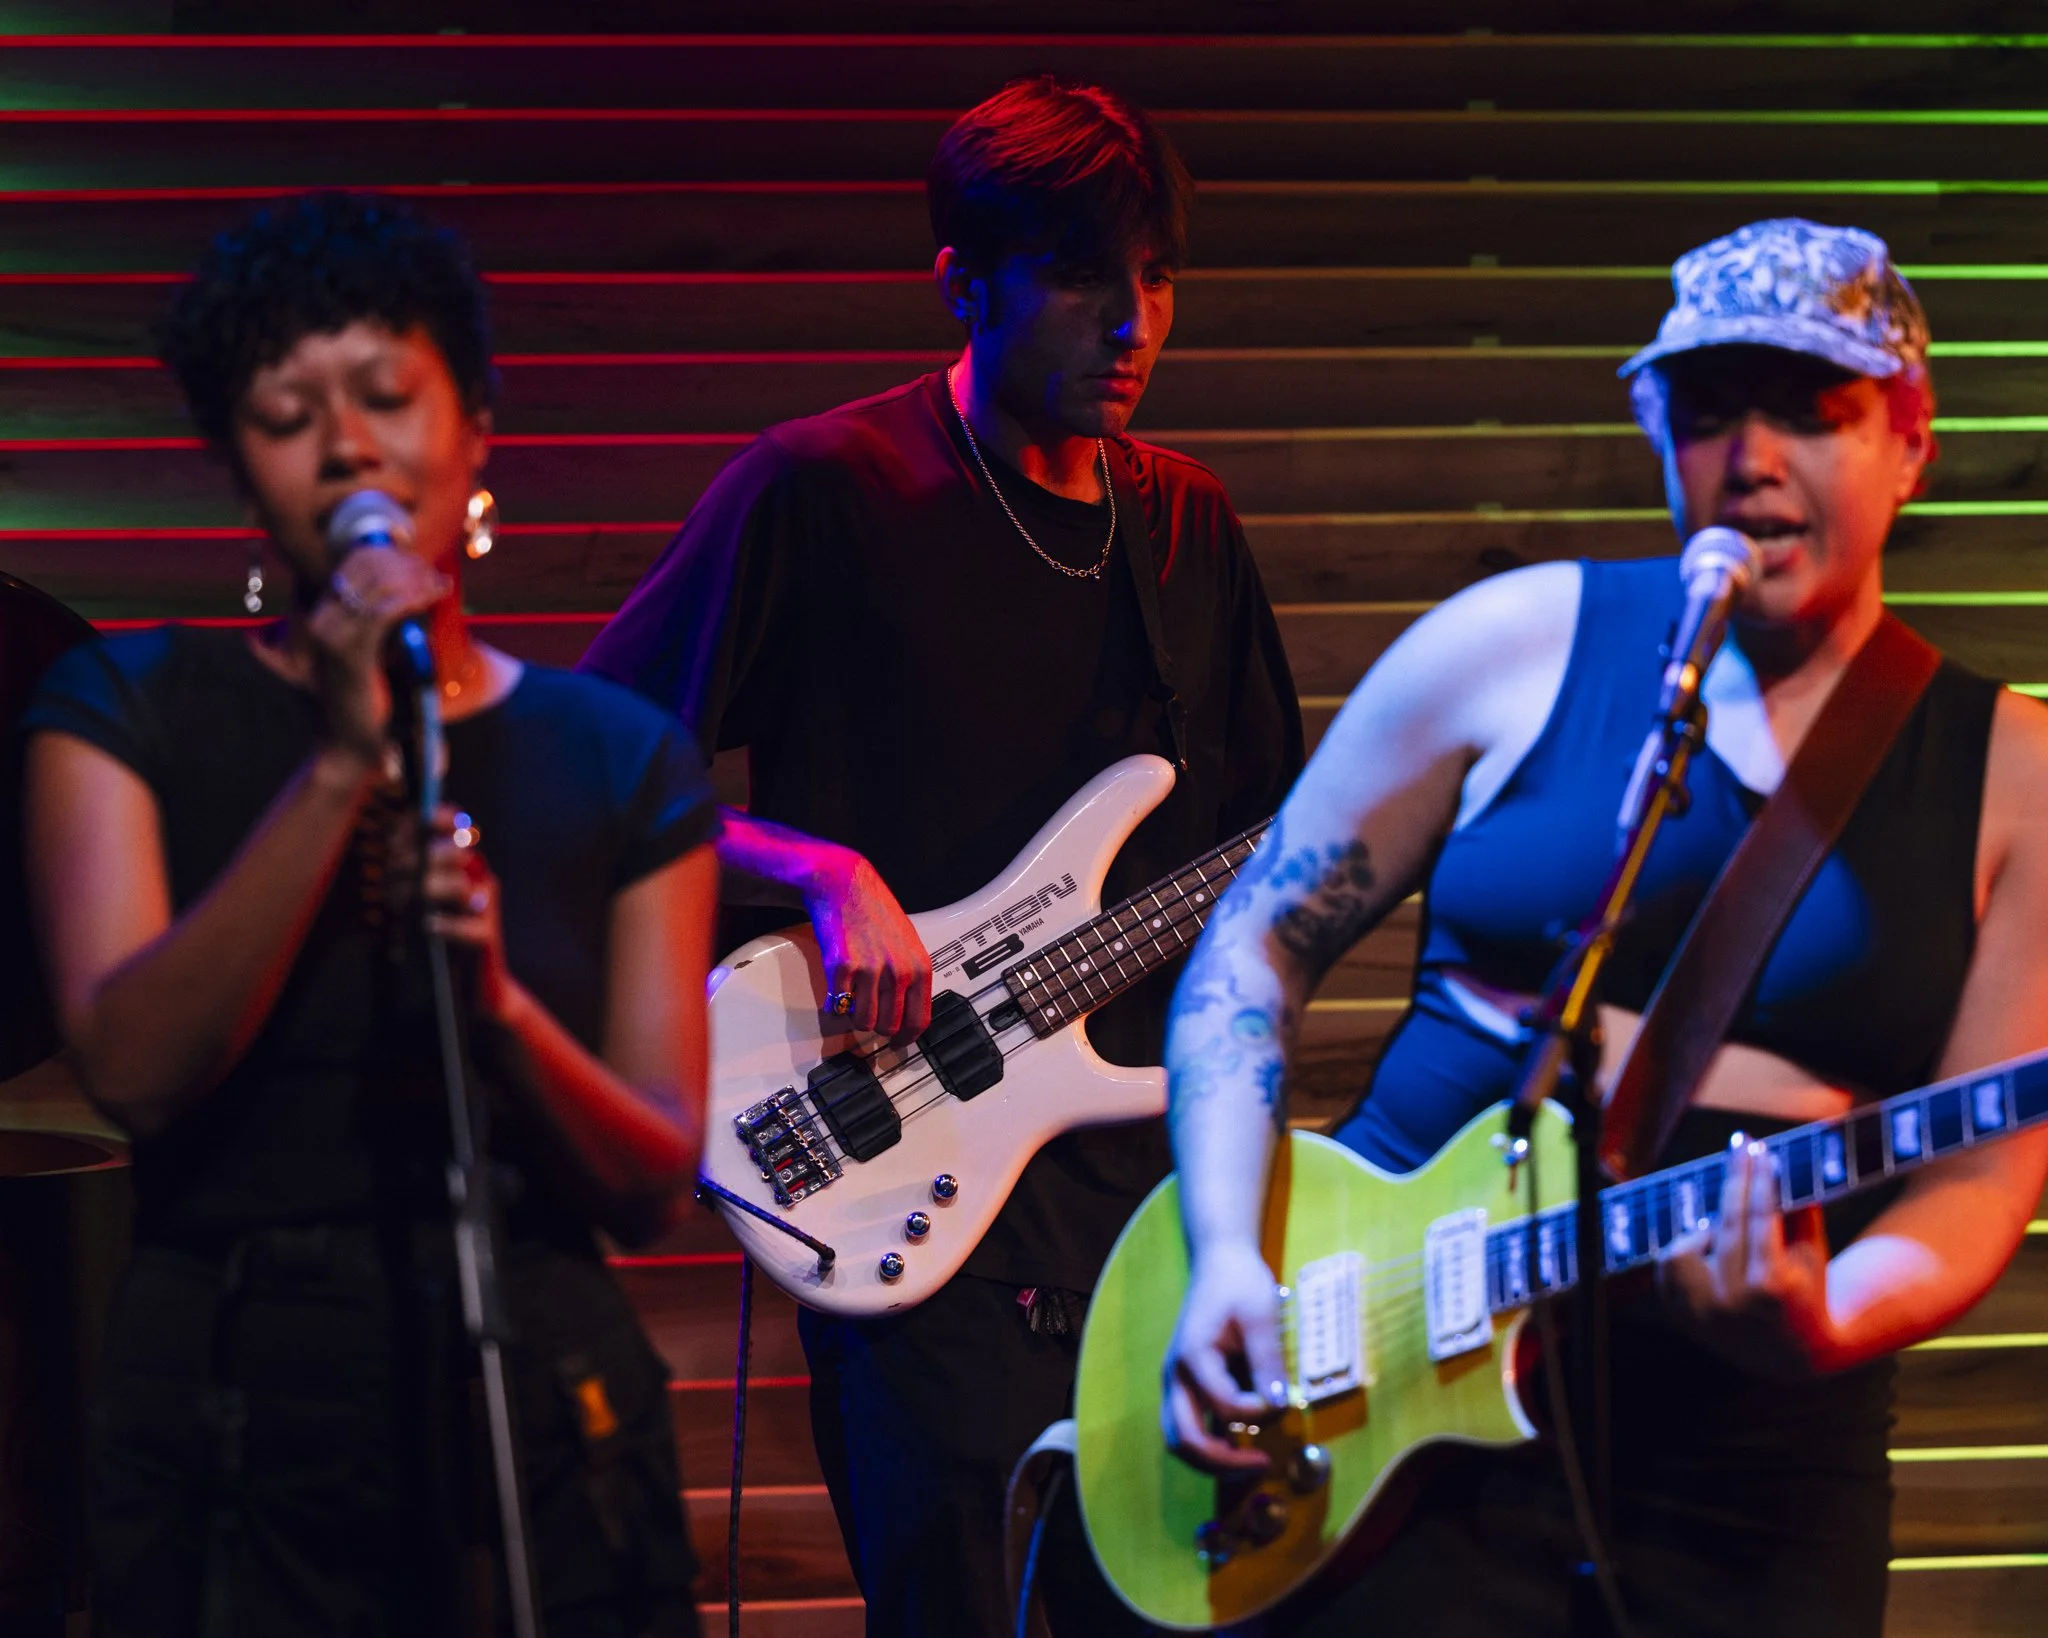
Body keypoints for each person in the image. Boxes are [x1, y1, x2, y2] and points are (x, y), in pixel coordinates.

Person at [1159, 217, 2048, 1637]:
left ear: (1912, 437)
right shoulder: (1508, 644)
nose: (1750, 456)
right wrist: (1222, 1252)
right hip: (1377, 1398)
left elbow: (1981, 1171)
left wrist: (1824, 1317)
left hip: (1748, 1479)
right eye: (1706, 412)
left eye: (1812, 409)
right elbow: (1253, 946)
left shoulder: (2014, 775)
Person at [579, 76, 1303, 1638]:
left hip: (1143, 1206)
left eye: (1159, 277)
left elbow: (1281, 861)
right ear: (966, 284)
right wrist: (817, 869)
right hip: (903, 1184)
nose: (1135, 322)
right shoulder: (822, 491)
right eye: (1086, 278)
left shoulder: (1186, 531)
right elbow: (580, 766)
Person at [20, 191, 720, 1638]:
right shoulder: (123, 709)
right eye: (285, 413)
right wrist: (344, 762)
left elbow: (656, 1178)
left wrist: (504, 1015)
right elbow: (134, 1070)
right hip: (229, 1395)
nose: (346, 445)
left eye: (390, 397)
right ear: (238, 468)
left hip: (542, 1393)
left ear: (473, 433)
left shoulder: (618, 754)